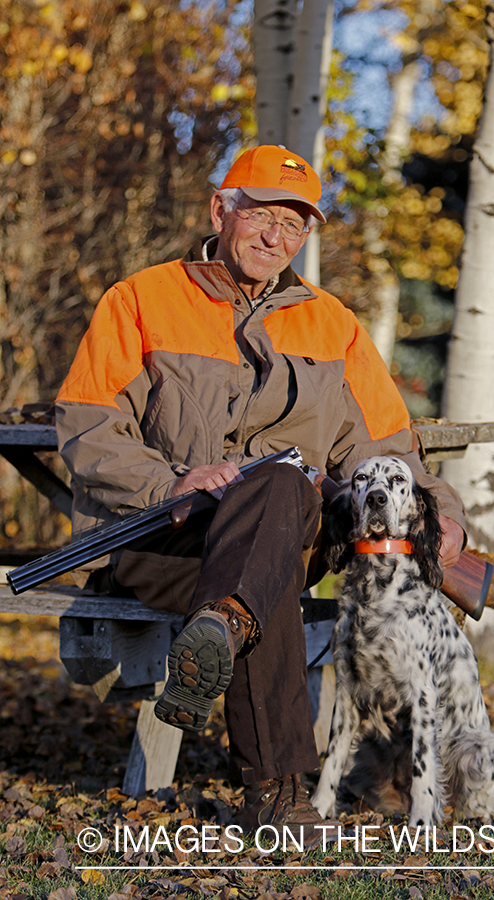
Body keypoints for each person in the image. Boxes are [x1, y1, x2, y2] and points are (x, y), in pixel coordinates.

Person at [55, 144, 466, 845]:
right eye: (264, 217)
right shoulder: (140, 300)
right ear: (222, 209)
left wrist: (442, 510)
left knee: (278, 488)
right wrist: (171, 481)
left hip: (282, 535)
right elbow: (87, 428)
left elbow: (385, 446)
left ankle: (222, 627)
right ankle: (275, 795)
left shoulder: (332, 325)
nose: (279, 238)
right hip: (165, 538)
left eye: (297, 226)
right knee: (262, 573)